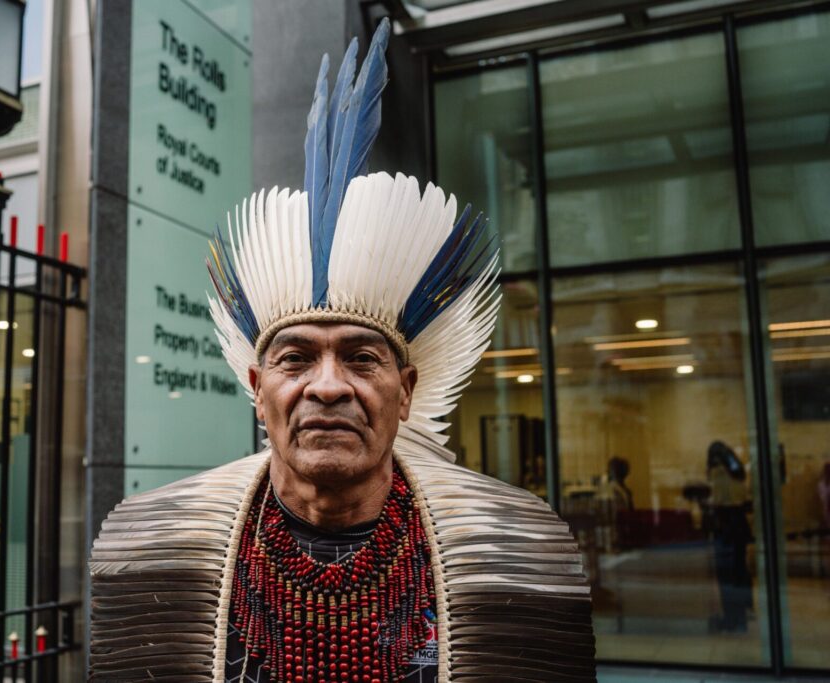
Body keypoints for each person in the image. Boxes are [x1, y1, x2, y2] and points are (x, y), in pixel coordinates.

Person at [89, 19, 595, 682]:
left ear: (407, 388)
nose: (328, 385)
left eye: (361, 357)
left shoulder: (516, 553)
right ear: (256, 387)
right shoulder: (154, 552)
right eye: (295, 357)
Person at [705, 441, 753, 633]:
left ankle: (731, 619)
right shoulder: (738, 471)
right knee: (739, 572)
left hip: (725, 525)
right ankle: (741, 618)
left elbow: (716, 500)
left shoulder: (718, 472)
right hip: (740, 524)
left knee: (726, 575)